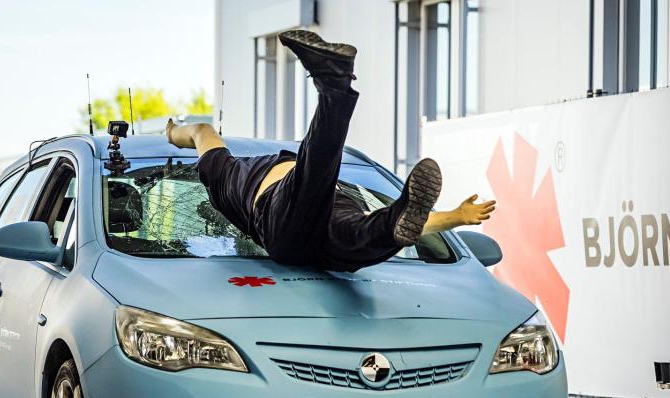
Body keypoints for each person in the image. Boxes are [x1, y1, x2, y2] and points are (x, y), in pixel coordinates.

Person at [167, 30, 495, 272]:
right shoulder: (223, 176)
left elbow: (200, 132)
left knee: (364, 231)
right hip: (288, 221)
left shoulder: (222, 173)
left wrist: (457, 216)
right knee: (320, 179)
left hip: (323, 221)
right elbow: (203, 131)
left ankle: (393, 219)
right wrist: (171, 132)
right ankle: (334, 86)